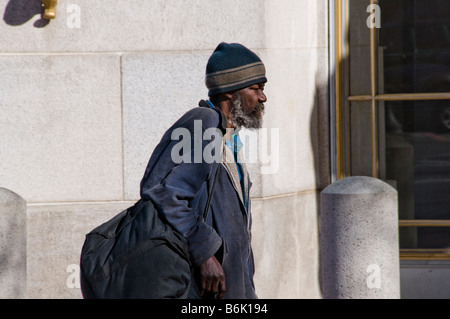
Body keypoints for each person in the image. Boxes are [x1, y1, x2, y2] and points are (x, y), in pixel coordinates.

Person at [139, 42, 267, 299]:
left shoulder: (230, 138)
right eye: (256, 88)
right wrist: (204, 254)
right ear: (230, 91)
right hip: (203, 285)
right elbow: (162, 191)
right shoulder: (203, 122)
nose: (263, 97)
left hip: (231, 286)